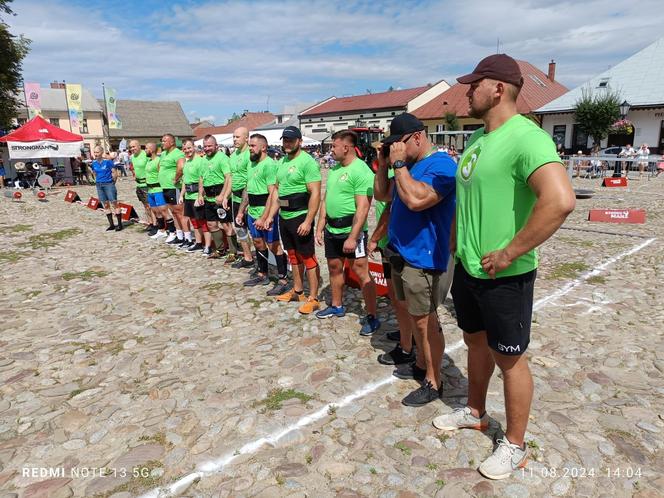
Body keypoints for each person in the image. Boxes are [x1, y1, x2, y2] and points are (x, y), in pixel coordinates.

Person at [432, 54, 575, 480]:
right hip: (470, 270)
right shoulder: (477, 140)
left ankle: (514, 444)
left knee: (510, 359)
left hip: (505, 276)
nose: (467, 91)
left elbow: (560, 200)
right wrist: (455, 247)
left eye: (474, 84)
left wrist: (512, 251)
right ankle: (475, 412)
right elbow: (467, 201)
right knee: (476, 344)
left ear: (497, 88)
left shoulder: (525, 137)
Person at [374, 113, 456, 406]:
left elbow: (417, 200)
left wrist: (397, 165)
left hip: (424, 257)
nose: (395, 149)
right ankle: (421, 364)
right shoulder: (406, 166)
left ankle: (434, 382)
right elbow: (383, 195)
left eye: (399, 143)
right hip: (402, 251)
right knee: (410, 313)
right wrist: (385, 165)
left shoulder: (441, 165)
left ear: (417, 137)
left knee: (426, 322)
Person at [315, 130, 379, 335]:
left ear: (346, 147)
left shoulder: (361, 170)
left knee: (361, 271)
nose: (331, 150)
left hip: (352, 232)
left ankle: (371, 315)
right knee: (334, 267)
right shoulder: (334, 169)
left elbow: (363, 208)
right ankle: (337, 305)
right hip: (332, 229)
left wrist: (353, 237)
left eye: (334, 146)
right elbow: (326, 199)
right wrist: (320, 225)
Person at [368, 167, 416, 365]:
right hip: (388, 245)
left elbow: (389, 212)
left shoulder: (401, 175)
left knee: (402, 298)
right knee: (395, 297)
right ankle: (406, 332)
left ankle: (409, 343)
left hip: (395, 246)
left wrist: (375, 238)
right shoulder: (386, 177)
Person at [274, 126, 322, 312]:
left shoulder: (307, 162)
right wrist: (270, 215)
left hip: (301, 216)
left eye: (291, 140)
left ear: (299, 141)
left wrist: (309, 221)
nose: (287, 143)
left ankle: (314, 297)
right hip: (284, 216)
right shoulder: (282, 162)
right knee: (292, 255)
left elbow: (316, 193)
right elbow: (277, 191)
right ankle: (298, 290)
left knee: (308, 257)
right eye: (285, 140)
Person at [236, 133, 289, 289]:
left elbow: (273, 194)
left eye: (253, 146)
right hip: (252, 211)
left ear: (263, 147)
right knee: (258, 243)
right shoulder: (251, 164)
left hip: (265, 212)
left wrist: (265, 217)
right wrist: (241, 211)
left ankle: (283, 279)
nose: (250, 149)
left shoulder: (269, 165)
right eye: (250, 146)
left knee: (274, 245)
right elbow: (247, 189)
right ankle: (262, 274)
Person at [223, 127, 255, 268]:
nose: (235, 139)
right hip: (235, 198)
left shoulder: (250, 154)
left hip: (248, 198)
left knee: (255, 232)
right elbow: (231, 178)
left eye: (238, 137)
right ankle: (248, 258)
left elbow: (250, 180)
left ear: (246, 138)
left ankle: (266, 260)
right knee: (240, 229)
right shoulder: (233, 155)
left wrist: (246, 202)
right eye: (233, 137)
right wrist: (226, 196)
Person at [200, 135, 232, 258]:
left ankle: (233, 251)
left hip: (220, 197)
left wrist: (223, 195)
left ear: (216, 146)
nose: (207, 148)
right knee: (211, 224)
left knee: (226, 224)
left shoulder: (222, 158)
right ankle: (220, 249)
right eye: (205, 146)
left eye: (209, 146)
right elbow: (202, 178)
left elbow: (228, 177)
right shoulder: (203, 160)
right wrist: (200, 195)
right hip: (208, 198)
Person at [159, 134, 187, 244]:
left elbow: (181, 167)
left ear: (172, 142)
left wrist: (175, 178)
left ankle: (186, 236)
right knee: (173, 213)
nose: (162, 143)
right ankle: (179, 235)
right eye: (162, 141)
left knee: (180, 212)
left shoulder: (178, 153)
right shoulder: (163, 154)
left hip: (174, 187)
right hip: (165, 187)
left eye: (164, 141)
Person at [179, 140, 207, 251]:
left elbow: (203, 180)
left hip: (197, 196)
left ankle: (208, 245)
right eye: (185, 149)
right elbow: (185, 182)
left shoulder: (200, 161)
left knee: (202, 221)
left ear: (194, 147)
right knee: (194, 222)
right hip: (188, 196)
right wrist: (182, 195)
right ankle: (199, 243)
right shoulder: (187, 163)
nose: (187, 151)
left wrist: (200, 196)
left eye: (189, 148)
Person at [144, 142, 174, 240]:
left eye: (146, 148)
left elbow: (162, 174)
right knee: (155, 211)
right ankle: (161, 230)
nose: (145, 150)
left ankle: (172, 232)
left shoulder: (158, 161)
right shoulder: (148, 161)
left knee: (164, 211)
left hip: (158, 189)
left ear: (152, 149)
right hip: (150, 190)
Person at [90, 145, 123, 231]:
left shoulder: (108, 162)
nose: (95, 154)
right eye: (94, 152)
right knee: (105, 204)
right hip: (99, 185)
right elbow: (94, 173)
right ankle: (111, 225)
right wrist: (96, 180)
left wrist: (112, 183)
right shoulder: (94, 163)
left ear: (101, 152)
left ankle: (120, 224)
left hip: (108, 184)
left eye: (97, 152)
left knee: (114, 203)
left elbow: (114, 173)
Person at [129, 140, 156, 233]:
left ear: (139, 146)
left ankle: (155, 224)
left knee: (150, 206)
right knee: (145, 206)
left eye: (134, 146)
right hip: (139, 184)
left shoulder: (145, 155)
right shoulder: (132, 157)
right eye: (131, 147)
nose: (132, 149)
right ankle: (150, 223)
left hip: (146, 184)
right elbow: (134, 168)